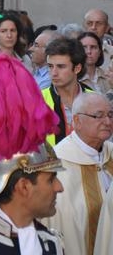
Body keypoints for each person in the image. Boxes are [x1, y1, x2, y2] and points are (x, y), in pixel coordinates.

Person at [39, 93, 112, 255]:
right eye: (98, 116)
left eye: (110, 115)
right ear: (77, 121)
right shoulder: (55, 164)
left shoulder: (111, 154)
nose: (107, 122)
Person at [42, 37, 93, 146]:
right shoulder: (37, 101)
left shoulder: (95, 99)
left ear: (77, 68)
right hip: (53, 162)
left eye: (60, 67)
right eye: (50, 66)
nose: (53, 73)